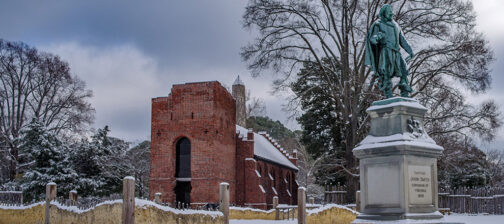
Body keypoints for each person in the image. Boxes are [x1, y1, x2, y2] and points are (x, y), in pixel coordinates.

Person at [365, 4, 414, 98]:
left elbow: (402, 40)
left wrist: (410, 51)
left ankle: (404, 91)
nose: (391, 13)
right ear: (384, 13)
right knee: (386, 73)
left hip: (396, 52)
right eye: (389, 12)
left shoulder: (396, 26)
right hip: (385, 51)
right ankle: (388, 94)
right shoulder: (378, 24)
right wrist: (377, 38)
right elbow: (372, 38)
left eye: (391, 12)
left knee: (404, 70)